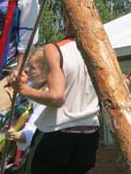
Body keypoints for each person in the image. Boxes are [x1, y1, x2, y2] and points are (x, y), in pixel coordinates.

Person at [11, 13, 100, 174]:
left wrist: (23, 90)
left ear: (65, 19)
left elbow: (57, 97)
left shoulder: (54, 49)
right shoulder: (101, 49)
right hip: (89, 135)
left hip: (57, 134)